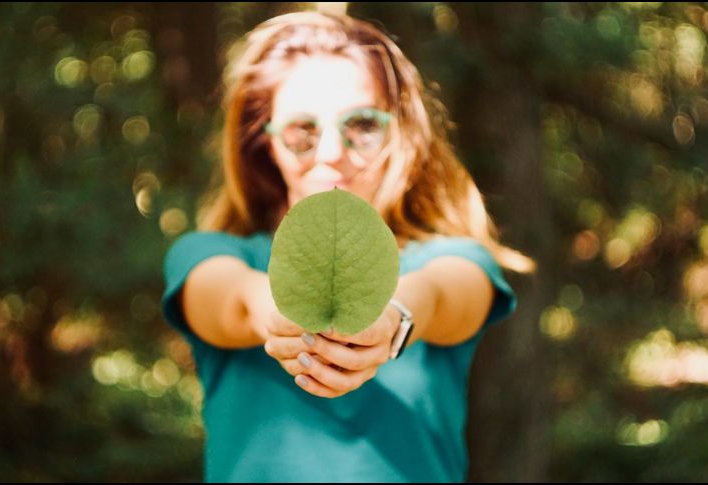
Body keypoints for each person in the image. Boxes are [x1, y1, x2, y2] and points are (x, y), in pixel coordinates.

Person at [161, 10, 535, 483]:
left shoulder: (453, 258)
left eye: (361, 124)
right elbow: (231, 300)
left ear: (399, 131)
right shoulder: (207, 254)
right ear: (266, 143)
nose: (332, 152)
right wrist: (280, 313)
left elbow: (440, 295)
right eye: (303, 130)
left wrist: (392, 318)